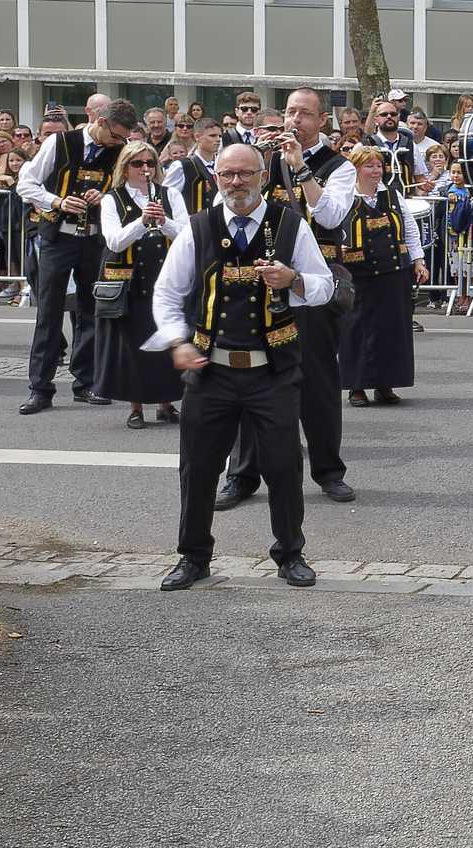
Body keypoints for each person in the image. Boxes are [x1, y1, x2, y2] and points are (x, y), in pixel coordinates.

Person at [149, 142, 337, 592]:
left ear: (262, 177)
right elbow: (167, 294)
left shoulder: (290, 225)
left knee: (284, 465)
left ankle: (290, 553)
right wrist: (176, 341)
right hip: (210, 369)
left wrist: (294, 280)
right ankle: (193, 557)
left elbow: (326, 287)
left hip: (271, 371)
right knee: (197, 467)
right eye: (228, 174)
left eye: (246, 174)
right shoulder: (199, 228)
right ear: (215, 177)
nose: (237, 183)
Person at [216, 89, 361, 509]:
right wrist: (254, 161)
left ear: (321, 122)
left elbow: (331, 216)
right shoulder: (264, 160)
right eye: (291, 112)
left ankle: (329, 472)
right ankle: (241, 475)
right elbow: (231, 203)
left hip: (311, 286)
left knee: (317, 380)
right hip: (262, 281)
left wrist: (300, 168)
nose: (295, 120)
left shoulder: (339, 166)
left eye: (305, 114)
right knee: (249, 377)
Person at [14, 99, 138, 412]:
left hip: (94, 239)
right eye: (115, 137)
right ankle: (40, 389)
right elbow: (25, 185)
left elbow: (127, 191)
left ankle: (86, 383)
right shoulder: (60, 143)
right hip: (58, 237)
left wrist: (107, 195)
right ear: (100, 121)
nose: (118, 143)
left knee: (90, 311)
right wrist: (56, 202)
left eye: (123, 139)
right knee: (49, 312)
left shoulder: (119, 151)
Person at [95, 141, 188, 427]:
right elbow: (113, 241)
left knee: (165, 339)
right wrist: (141, 221)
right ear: (125, 168)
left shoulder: (169, 194)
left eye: (150, 163)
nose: (145, 169)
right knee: (132, 345)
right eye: (137, 164)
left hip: (163, 276)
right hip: (128, 281)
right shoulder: (112, 199)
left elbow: (187, 232)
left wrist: (164, 221)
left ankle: (166, 403)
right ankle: (136, 407)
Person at [339, 147, 430, 407]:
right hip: (358, 273)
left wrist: (418, 260)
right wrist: (338, 247)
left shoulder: (392, 195)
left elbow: (410, 228)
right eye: (369, 166)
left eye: (379, 166)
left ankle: (385, 383)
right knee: (355, 328)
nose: (376, 171)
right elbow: (328, 224)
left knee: (391, 329)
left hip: (393, 271)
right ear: (356, 169)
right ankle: (356, 386)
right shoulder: (344, 196)